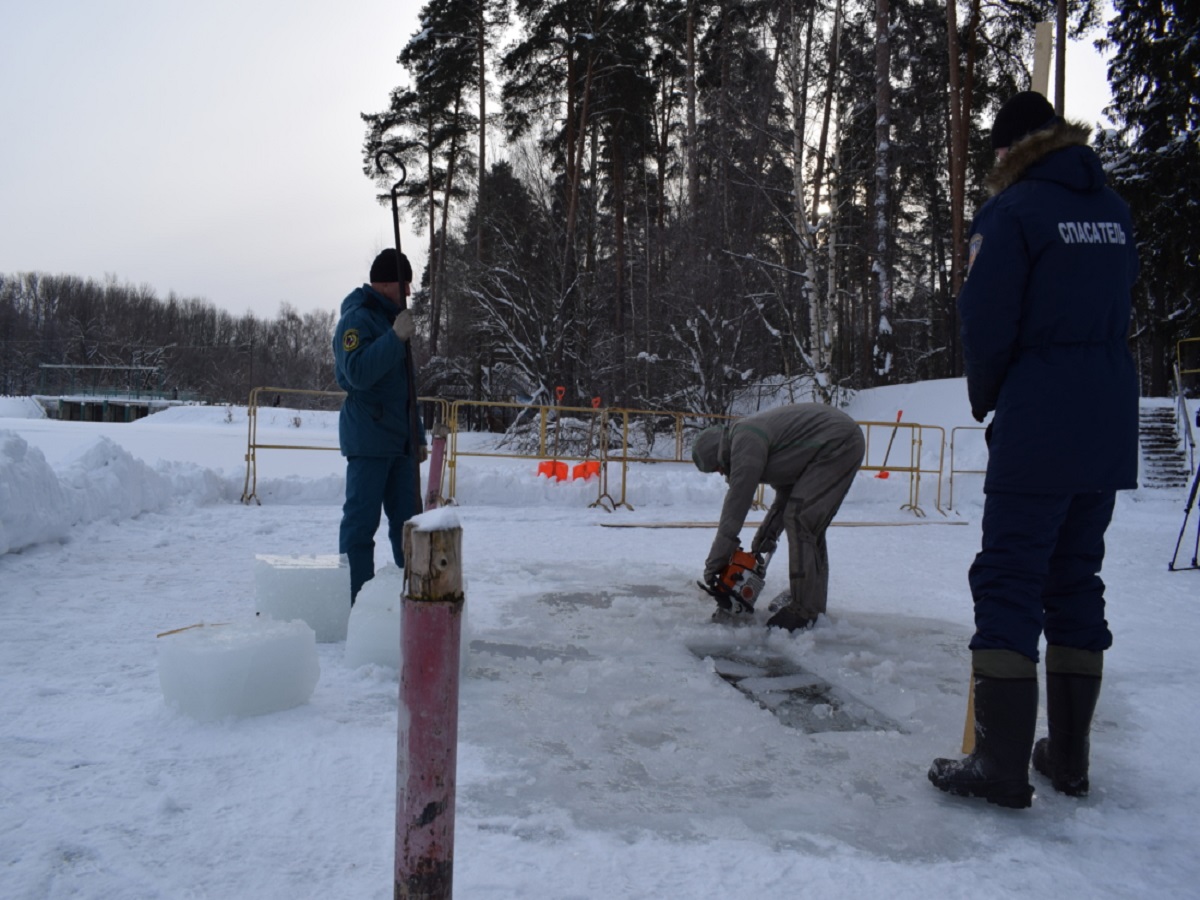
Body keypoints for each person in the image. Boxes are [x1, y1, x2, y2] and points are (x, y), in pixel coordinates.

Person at [928, 92, 1139, 808]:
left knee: (1010, 577)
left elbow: (985, 318)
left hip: (1042, 413)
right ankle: (1069, 759)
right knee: (1076, 577)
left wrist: (987, 396)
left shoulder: (1012, 212)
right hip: (1108, 410)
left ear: (1011, 149)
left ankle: (1000, 765)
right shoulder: (1113, 210)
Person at [690, 403, 865, 630]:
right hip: (833, 442)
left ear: (718, 452)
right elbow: (787, 491)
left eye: (716, 468)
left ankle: (804, 611)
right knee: (808, 525)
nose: (721, 473)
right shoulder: (748, 437)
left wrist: (716, 561)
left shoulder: (744, 440)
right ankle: (812, 603)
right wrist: (767, 534)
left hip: (839, 442)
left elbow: (738, 501)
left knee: (801, 520)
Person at [332, 248, 427, 604]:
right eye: (405, 285)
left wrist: (416, 432)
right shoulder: (356, 321)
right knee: (360, 526)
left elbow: (406, 387)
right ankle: (357, 601)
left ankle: (417, 595)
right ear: (385, 283)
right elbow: (357, 374)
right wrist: (394, 339)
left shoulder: (392, 320)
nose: (409, 293)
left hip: (400, 442)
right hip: (369, 440)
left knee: (410, 526)